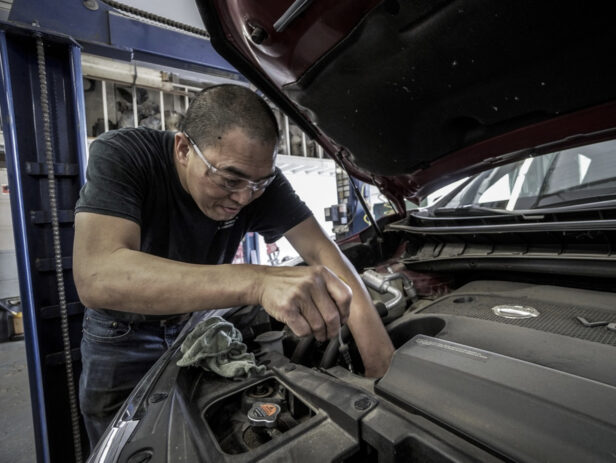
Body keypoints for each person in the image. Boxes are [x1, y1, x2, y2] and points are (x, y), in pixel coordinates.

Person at [73, 84, 394, 448]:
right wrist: (257, 282)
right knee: (124, 444)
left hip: (196, 325)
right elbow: (98, 276)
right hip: (121, 334)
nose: (244, 197)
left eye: (260, 183)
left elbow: (323, 252)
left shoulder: (257, 182)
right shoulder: (125, 155)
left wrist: (379, 358)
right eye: (229, 180)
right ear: (182, 149)